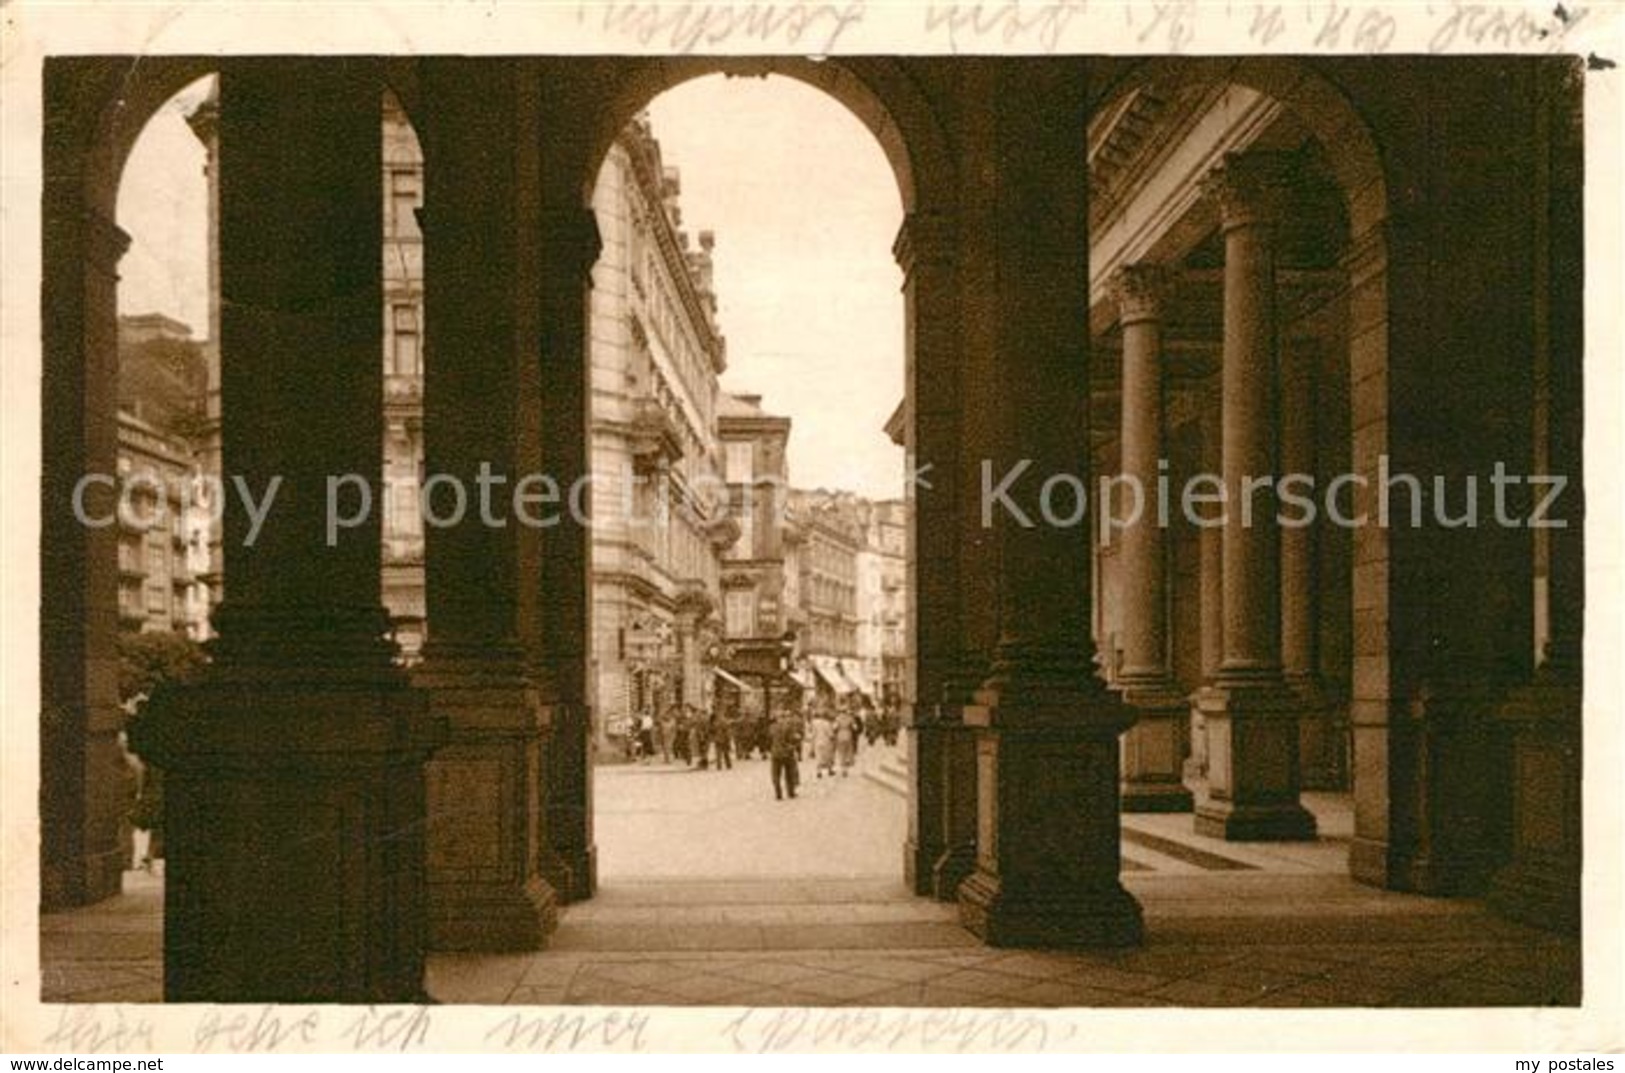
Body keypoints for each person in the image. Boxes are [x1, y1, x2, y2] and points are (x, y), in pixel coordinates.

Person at [769, 709, 803, 800]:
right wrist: (797, 739)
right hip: (787, 753)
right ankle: (790, 792)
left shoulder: (772, 727)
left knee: (775, 774)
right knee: (789, 773)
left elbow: (769, 740)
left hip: (775, 753)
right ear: (783, 718)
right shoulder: (788, 727)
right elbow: (793, 738)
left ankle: (778, 794)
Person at [810, 708, 836, 779]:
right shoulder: (827, 723)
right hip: (826, 742)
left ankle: (819, 772)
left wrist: (812, 742)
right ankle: (830, 770)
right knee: (828, 756)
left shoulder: (814, 723)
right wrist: (833, 737)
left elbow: (813, 734)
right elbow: (830, 734)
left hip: (818, 741)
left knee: (819, 757)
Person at [834, 708, 859, 776]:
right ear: (846, 712)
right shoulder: (850, 718)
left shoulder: (837, 718)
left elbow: (834, 727)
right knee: (848, 752)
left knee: (841, 753)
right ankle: (846, 769)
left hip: (840, 736)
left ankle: (843, 769)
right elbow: (855, 727)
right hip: (848, 735)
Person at [711, 704, 734, 770]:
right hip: (722, 739)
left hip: (721, 739)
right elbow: (727, 730)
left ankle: (720, 766)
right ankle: (726, 765)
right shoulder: (722, 721)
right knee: (724, 753)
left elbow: (726, 730)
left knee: (721, 753)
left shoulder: (717, 721)